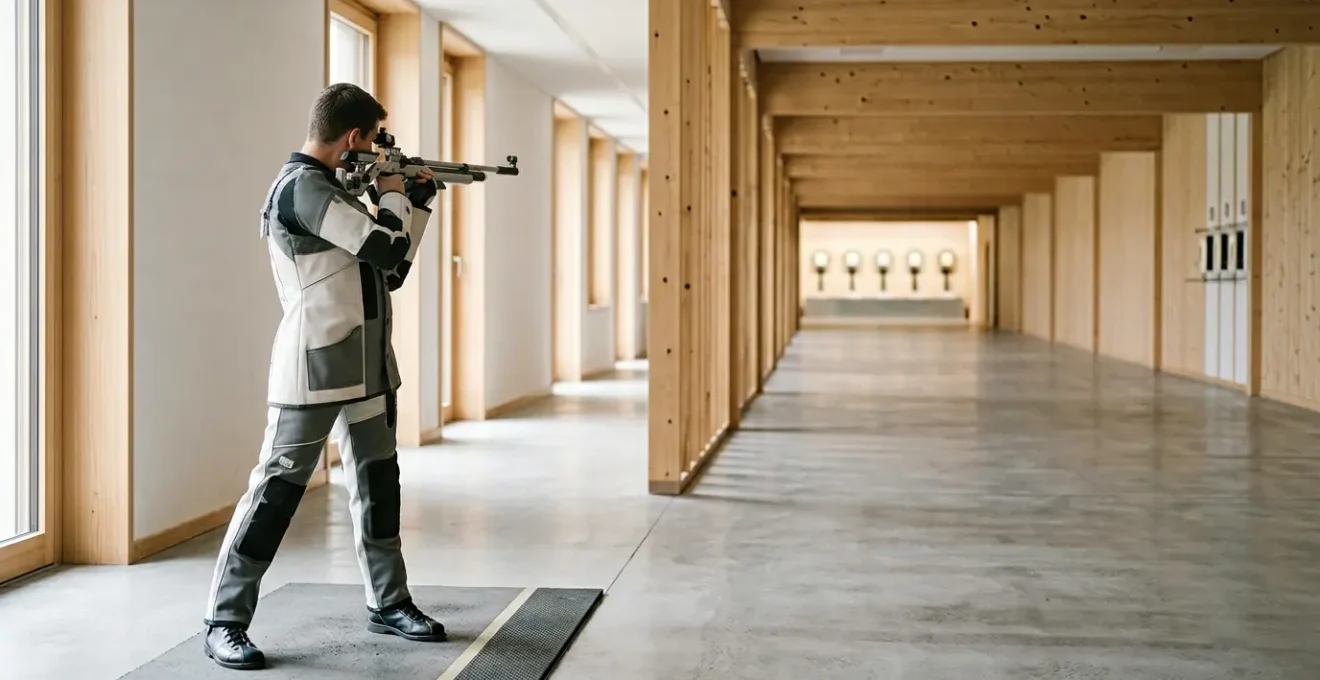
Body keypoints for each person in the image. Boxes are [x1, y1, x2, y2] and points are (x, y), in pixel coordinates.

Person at [201, 83, 444, 671]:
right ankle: (224, 620)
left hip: (367, 367)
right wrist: (391, 195)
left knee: (379, 490)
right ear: (355, 137)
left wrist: (416, 203)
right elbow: (383, 247)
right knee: (274, 496)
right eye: (371, 140)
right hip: (312, 367)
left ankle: (389, 602)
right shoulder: (303, 189)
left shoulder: (335, 191)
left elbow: (391, 272)